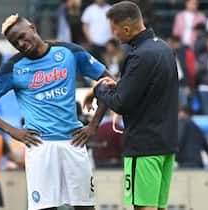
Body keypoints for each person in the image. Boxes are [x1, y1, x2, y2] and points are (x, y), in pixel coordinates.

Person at [0, 14, 109, 210]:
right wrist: (14, 132)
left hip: (74, 141)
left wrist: (94, 125)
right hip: (40, 145)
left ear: (33, 28)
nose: (20, 43)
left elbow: (108, 81)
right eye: (15, 42)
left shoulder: (69, 52)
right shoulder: (12, 67)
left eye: (22, 36)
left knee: (85, 207)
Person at [84, 2, 179, 210]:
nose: (115, 35)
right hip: (166, 143)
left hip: (144, 145)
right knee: (157, 207)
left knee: (143, 207)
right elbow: (152, 89)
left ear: (126, 29)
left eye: (114, 30)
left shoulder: (138, 56)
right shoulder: (164, 48)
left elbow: (120, 104)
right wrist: (120, 84)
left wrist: (98, 88)